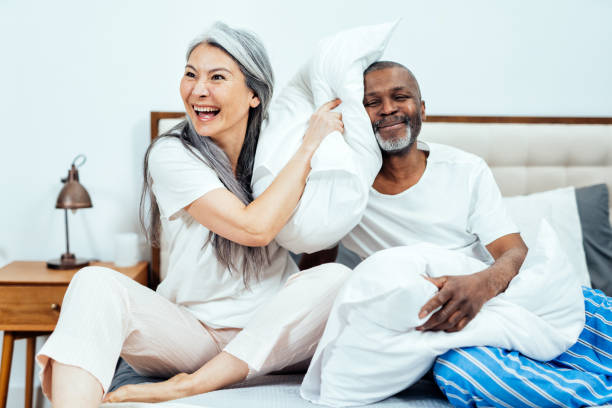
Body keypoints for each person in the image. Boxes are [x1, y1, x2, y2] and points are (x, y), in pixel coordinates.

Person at [36, 22, 351, 407]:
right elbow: (255, 228)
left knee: (337, 279)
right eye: (190, 74)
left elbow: (321, 227)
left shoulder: (278, 145)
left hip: (270, 335)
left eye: (217, 77)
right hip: (191, 336)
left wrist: (312, 141)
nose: (198, 89)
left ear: (255, 94)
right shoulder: (171, 154)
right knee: (94, 282)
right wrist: (309, 148)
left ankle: (191, 386)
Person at [299, 61, 612, 407]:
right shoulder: (344, 189)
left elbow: (514, 252)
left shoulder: (465, 169)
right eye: (372, 103)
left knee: (589, 312)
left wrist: (482, 284)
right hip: (443, 330)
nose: (387, 109)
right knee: (465, 375)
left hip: (506, 295)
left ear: (422, 110)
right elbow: (316, 273)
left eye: (400, 97)